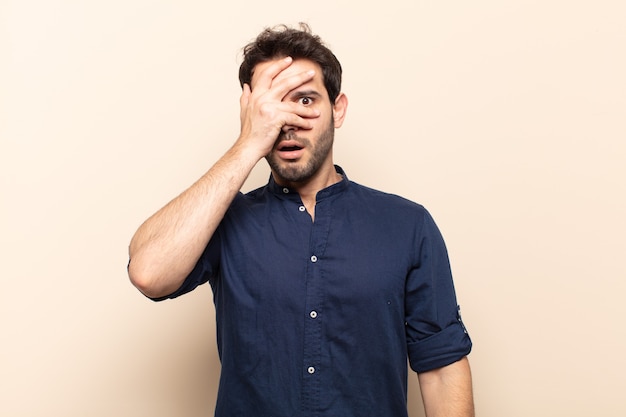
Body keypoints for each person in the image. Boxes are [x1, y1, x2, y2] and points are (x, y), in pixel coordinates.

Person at [128, 23, 474, 417]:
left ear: (337, 109)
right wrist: (248, 143)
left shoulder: (408, 225)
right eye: (272, 106)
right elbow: (149, 273)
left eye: (306, 101)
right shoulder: (223, 220)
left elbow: (442, 368)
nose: (288, 121)